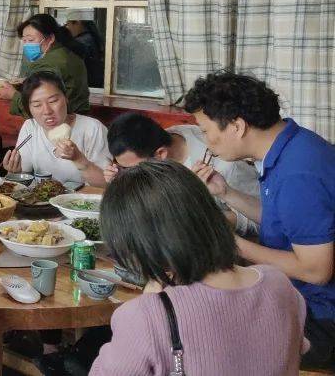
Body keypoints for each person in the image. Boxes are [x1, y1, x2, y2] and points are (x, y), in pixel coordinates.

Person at [89, 160, 308, 375]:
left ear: (137, 244)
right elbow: (297, 348)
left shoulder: (146, 316)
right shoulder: (279, 283)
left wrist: (151, 298)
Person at [182, 71, 335, 368]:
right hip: (301, 298)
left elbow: (316, 270)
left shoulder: (298, 173)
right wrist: (227, 193)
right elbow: (288, 221)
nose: (207, 142)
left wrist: (229, 243)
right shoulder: (292, 145)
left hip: (320, 320)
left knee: (199, 329)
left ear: (237, 126)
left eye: (205, 131)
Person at [106, 112, 260, 235]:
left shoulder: (225, 167)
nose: (129, 173)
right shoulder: (168, 136)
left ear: (161, 154)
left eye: (133, 169)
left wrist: (194, 218)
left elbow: (262, 222)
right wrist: (122, 178)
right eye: (123, 167)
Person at [2, 71, 109, 186]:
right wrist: (15, 173)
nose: (47, 111)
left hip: (82, 197)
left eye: (53, 101)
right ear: (29, 108)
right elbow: (21, 180)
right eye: (37, 105)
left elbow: (106, 184)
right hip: (42, 196)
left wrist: (78, 159)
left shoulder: (93, 129)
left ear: (66, 98)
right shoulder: (30, 127)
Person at [0, 14, 90, 116]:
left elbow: (39, 107)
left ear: (50, 38)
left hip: (59, 120)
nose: (27, 45)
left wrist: (13, 95)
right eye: (24, 41)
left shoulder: (46, 64)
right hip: (78, 117)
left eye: (31, 40)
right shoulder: (69, 54)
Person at [63, 9, 104, 89]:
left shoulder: (80, 42)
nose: (67, 28)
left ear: (78, 23)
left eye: (68, 24)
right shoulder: (93, 38)